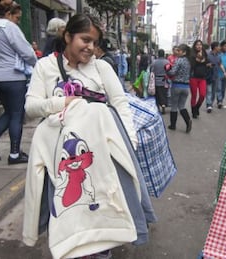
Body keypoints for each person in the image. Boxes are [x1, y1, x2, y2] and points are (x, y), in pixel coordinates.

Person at [23, 14, 156, 259]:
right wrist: (63, 102)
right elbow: (31, 107)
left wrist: (130, 142)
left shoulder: (102, 67)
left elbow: (120, 105)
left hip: (102, 156)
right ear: (67, 36)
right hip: (62, 160)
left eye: (95, 42)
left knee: (104, 212)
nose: (91, 48)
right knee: (71, 214)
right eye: (85, 39)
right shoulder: (46, 67)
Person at [0, 2, 37, 164]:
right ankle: (14, 154)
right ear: (9, 14)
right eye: (17, 18)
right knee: (17, 115)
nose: (18, 21)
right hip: (13, 78)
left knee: (9, 112)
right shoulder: (9, 27)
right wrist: (36, 63)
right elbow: (27, 53)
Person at [165, 44, 192, 133]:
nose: (177, 52)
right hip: (186, 87)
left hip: (176, 85)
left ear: (184, 52)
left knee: (174, 106)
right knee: (181, 106)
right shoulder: (189, 61)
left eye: (179, 51)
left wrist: (167, 70)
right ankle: (188, 121)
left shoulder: (178, 60)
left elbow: (172, 73)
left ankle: (173, 125)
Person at [189, 40, 208, 118]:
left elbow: (206, 62)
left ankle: (197, 107)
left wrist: (205, 62)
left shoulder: (205, 54)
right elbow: (192, 65)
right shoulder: (192, 55)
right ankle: (193, 111)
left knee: (202, 95)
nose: (199, 46)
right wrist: (198, 58)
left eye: (200, 44)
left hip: (202, 77)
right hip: (193, 77)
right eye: (197, 45)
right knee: (194, 95)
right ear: (194, 46)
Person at [206, 41, 226, 113]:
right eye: (218, 46)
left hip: (216, 76)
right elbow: (203, 63)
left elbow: (220, 64)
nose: (220, 48)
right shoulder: (207, 54)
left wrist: (224, 72)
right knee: (209, 91)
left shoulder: (219, 55)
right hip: (209, 76)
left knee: (214, 91)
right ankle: (208, 105)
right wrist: (208, 65)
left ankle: (211, 103)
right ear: (215, 47)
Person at [150, 49, 169, 114]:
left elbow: (152, 71)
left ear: (158, 54)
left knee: (157, 94)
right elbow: (169, 71)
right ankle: (163, 105)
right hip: (165, 81)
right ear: (163, 54)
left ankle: (157, 107)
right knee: (164, 93)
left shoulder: (154, 62)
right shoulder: (167, 62)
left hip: (156, 80)